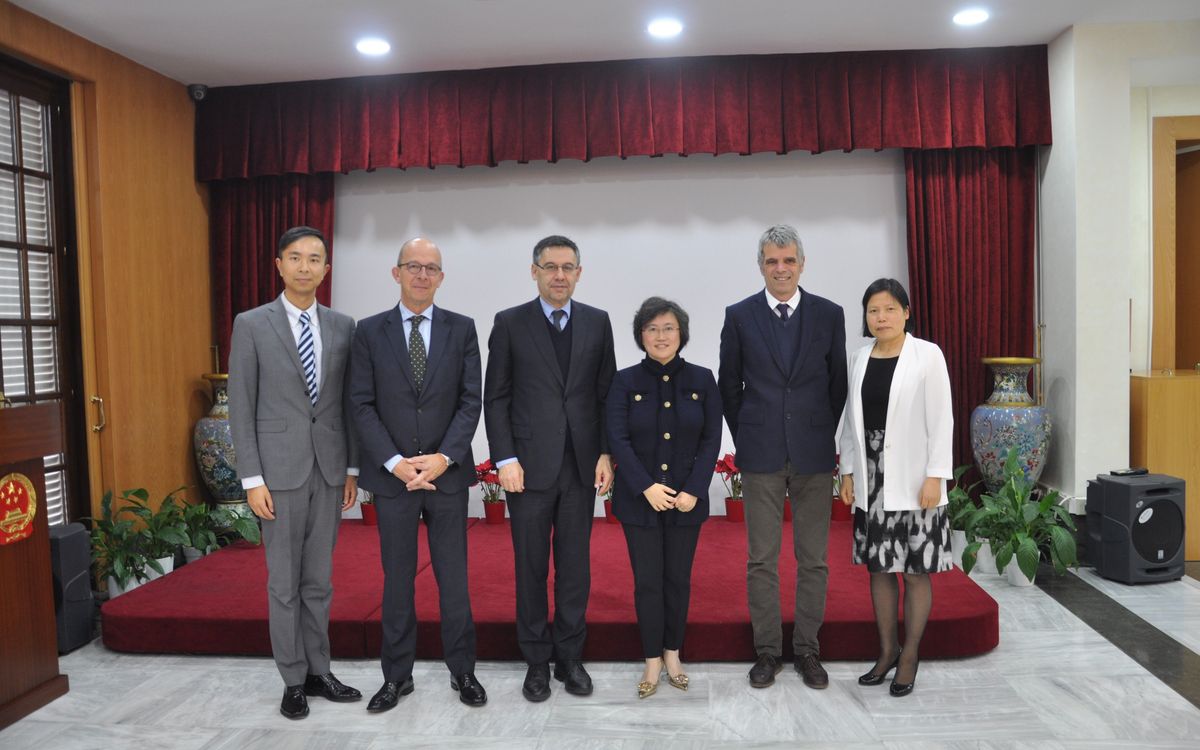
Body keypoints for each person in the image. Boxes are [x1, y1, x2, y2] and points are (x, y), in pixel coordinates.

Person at [228, 225, 361, 719]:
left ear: (326, 269)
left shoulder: (345, 326)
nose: (305, 267)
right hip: (276, 475)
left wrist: (350, 468)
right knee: (282, 582)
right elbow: (240, 407)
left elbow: (347, 404)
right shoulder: (252, 323)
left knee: (319, 580)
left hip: (328, 470)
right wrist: (251, 478)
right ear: (279, 265)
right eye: (295, 258)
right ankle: (291, 678)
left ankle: (319, 670)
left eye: (315, 259)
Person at [350, 237, 487, 711]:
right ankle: (396, 677)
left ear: (442, 277)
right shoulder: (368, 332)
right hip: (394, 480)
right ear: (396, 273)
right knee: (397, 580)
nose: (422, 275)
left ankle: (463, 672)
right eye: (414, 266)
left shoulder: (462, 329)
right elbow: (361, 404)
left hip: (445, 477)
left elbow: (472, 401)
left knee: (454, 579)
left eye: (432, 268)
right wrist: (395, 462)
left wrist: (444, 458)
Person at [483, 234, 616, 702]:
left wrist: (604, 452)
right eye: (550, 266)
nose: (559, 275)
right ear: (534, 271)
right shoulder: (510, 323)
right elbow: (495, 397)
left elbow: (605, 395)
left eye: (567, 267)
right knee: (531, 568)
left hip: (581, 468)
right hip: (528, 469)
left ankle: (569, 657)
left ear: (579, 273)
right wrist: (505, 458)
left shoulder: (598, 323)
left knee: (575, 569)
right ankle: (536, 662)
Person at [717, 223, 848, 690]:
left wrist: (817, 431)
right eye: (772, 261)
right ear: (760, 265)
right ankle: (768, 652)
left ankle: (808, 651)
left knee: (814, 559)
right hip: (761, 454)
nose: (781, 268)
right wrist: (749, 436)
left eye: (788, 260)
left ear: (802, 263)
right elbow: (728, 386)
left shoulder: (829, 315)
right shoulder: (739, 315)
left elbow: (838, 387)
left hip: (813, 454)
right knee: (762, 559)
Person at [838, 278, 953, 697]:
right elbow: (849, 419)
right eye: (873, 310)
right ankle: (886, 652)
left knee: (916, 570)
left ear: (906, 312)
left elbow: (943, 418)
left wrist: (936, 475)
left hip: (915, 474)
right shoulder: (859, 356)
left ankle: (910, 656)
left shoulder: (927, 355)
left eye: (889, 309)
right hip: (872, 476)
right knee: (880, 566)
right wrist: (848, 470)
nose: (880, 317)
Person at [606, 297, 722, 699]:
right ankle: (651, 659)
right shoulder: (624, 381)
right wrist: (645, 486)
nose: (661, 336)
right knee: (647, 583)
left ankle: (673, 653)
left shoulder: (703, 379)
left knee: (678, 580)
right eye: (652, 328)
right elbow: (617, 439)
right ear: (641, 335)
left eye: (668, 328)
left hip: (687, 501)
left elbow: (711, 439)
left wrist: (693, 488)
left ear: (682, 334)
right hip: (640, 501)